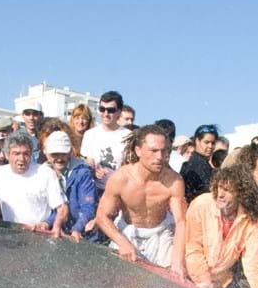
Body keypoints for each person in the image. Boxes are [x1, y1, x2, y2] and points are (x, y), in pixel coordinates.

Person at [96, 125, 188, 276]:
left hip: (161, 233)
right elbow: (101, 217)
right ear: (138, 151)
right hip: (128, 232)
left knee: (170, 281)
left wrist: (177, 261)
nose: (159, 157)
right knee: (121, 284)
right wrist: (123, 243)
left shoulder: (174, 180)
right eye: (153, 151)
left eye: (163, 151)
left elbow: (181, 221)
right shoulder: (121, 178)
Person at [184, 165, 258, 288]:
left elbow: (254, 265)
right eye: (220, 188)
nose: (220, 194)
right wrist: (204, 281)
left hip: (219, 284)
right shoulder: (201, 204)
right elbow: (193, 248)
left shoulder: (252, 220)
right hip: (187, 277)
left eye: (228, 190)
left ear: (242, 194)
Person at [0, 131, 67, 230]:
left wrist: (54, 225)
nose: (21, 159)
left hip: (40, 233)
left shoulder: (46, 173)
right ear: (7, 155)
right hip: (11, 233)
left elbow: (62, 208)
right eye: (16, 153)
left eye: (26, 154)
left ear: (31, 154)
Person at [42, 131, 98, 241]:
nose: (59, 158)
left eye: (63, 154)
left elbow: (88, 207)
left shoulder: (82, 173)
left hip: (81, 233)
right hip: (55, 231)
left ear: (70, 152)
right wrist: (47, 223)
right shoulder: (43, 172)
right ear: (46, 153)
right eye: (54, 154)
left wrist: (77, 228)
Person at [81, 91, 132, 198]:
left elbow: (131, 166)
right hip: (95, 190)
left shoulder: (128, 136)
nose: (106, 114)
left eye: (111, 110)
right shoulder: (90, 134)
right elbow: (88, 161)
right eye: (102, 109)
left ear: (119, 112)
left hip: (120, 191)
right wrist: (94, 171)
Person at [181, 124, 218, 202]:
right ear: (197, 141)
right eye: (206, 142)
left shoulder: (199, 162)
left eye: (213, 143)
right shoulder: (198, 164)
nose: (210, 146)